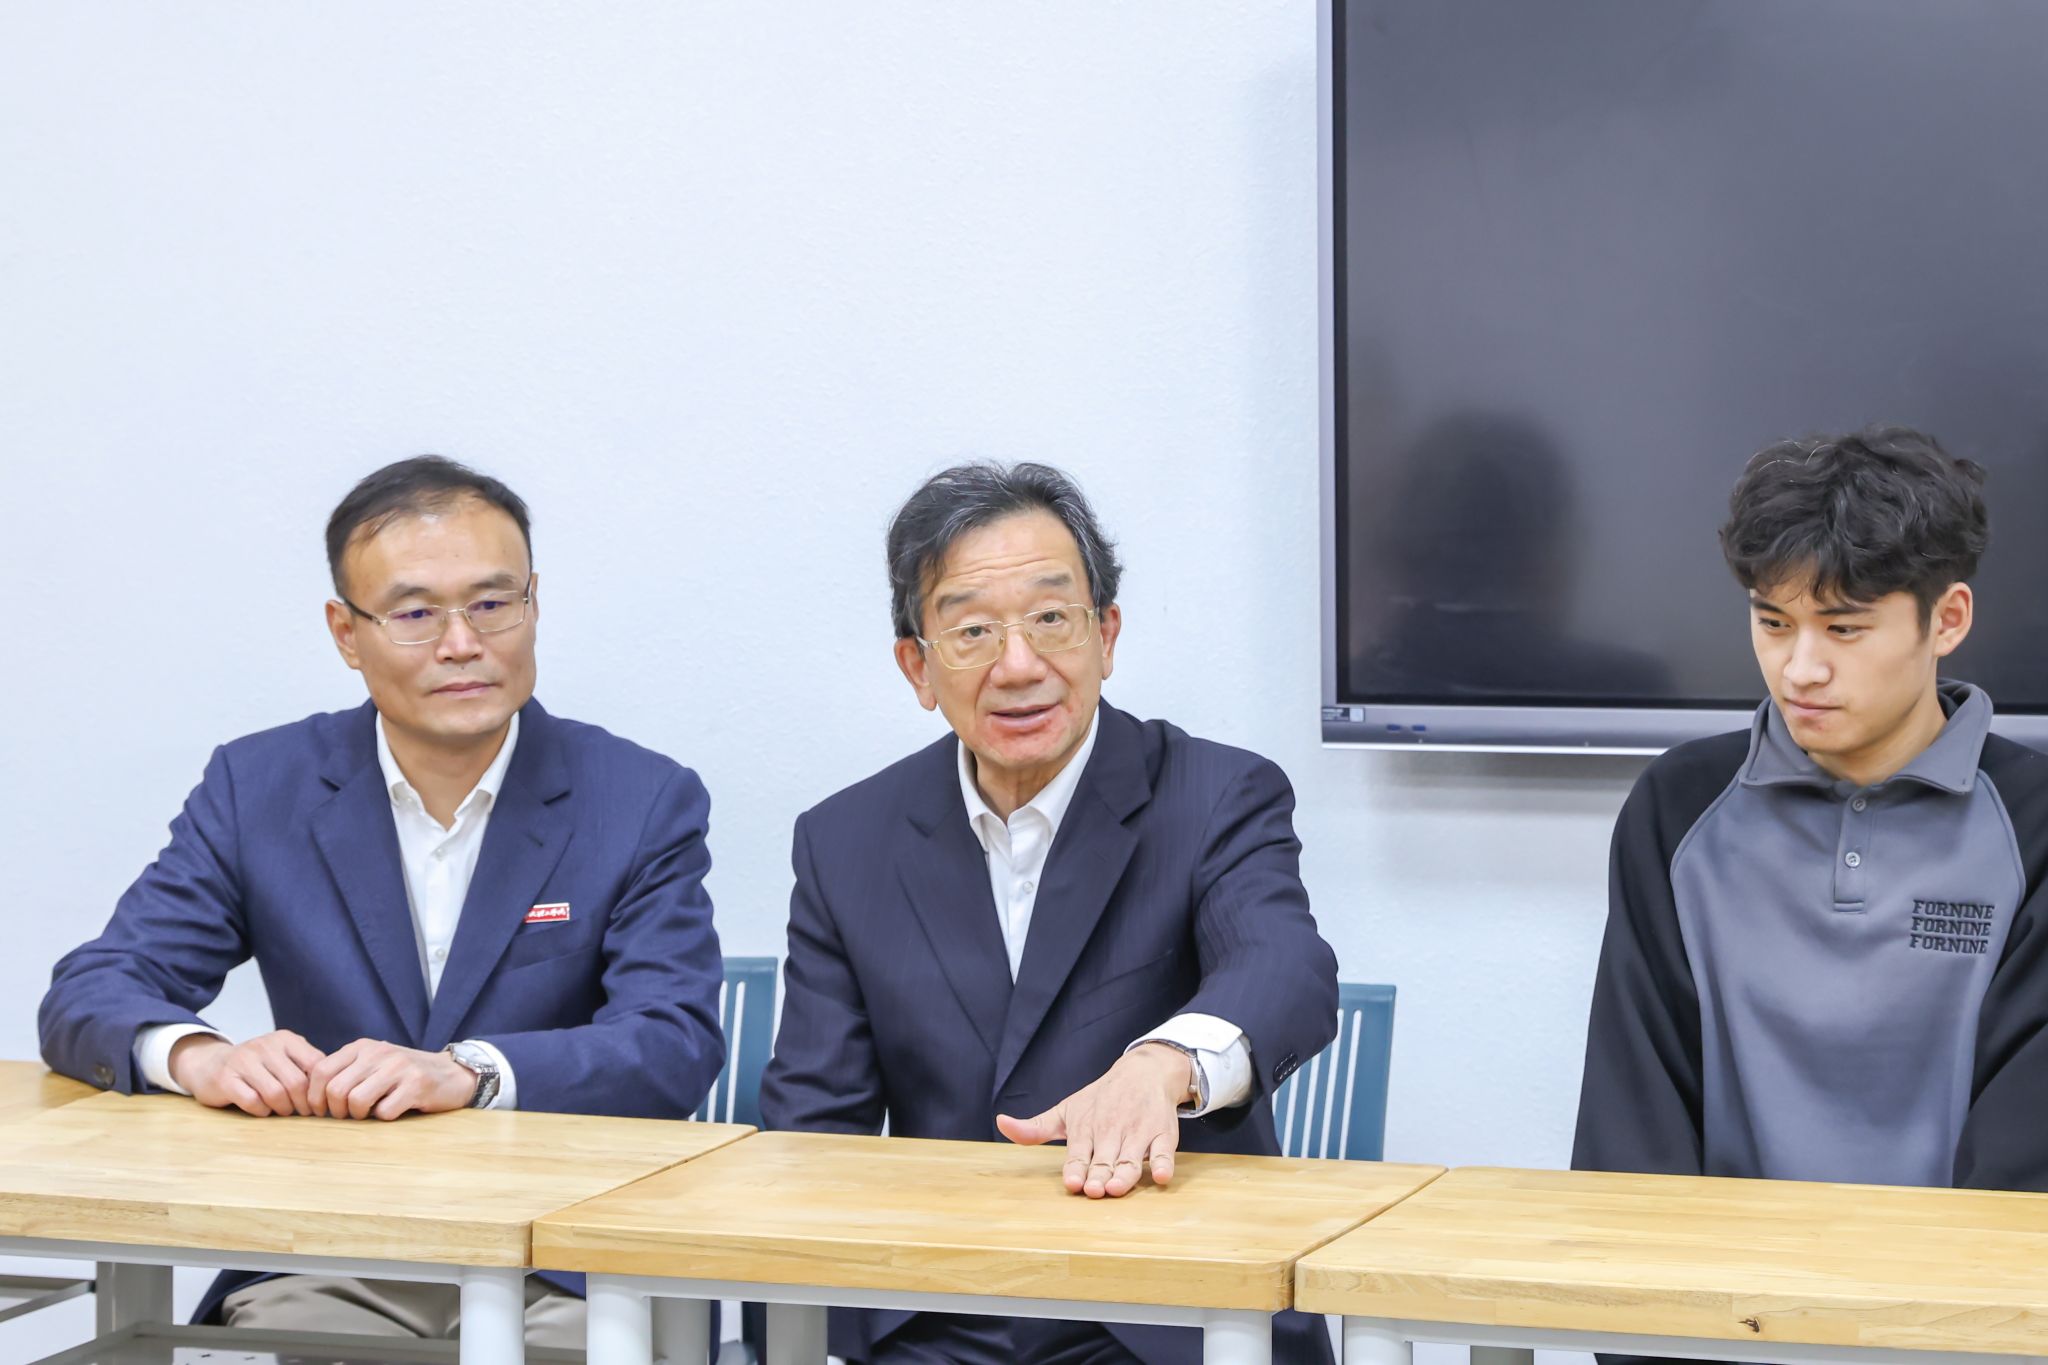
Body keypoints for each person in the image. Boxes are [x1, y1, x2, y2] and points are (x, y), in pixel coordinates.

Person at [40, 455, 725, 1347]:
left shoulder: (639, 798)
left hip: (566, 1257)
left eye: (492, 602)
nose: (462, 642)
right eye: (414, 613)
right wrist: (197, 1056)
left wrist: (472, 1071)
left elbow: (672, 1041)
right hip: (334, 1250)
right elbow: (95, 987)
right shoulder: (262, 787)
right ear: (346, 631)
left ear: (534, 603)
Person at [760, 460, 1340, 1365]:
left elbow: (1284, 970)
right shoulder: (845, 840)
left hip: (1166, 1313)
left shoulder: (1216, 794)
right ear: (917, 666)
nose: (1019, 664)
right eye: (973, 630)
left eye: (1051, 618)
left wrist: (1162, 1066)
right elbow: (812, 1132)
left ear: (1106, 634)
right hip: (932, 1317)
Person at [1575, 425, 2048, 1197]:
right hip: (1720, 1272)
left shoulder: (2035, 826)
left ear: (1948, 619)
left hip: (1962, 1271)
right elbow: (1631, 1131)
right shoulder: (1676, 808)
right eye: (1773, 623)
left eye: (1843, 628)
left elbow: (2027, 1167)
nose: (1799, 669)